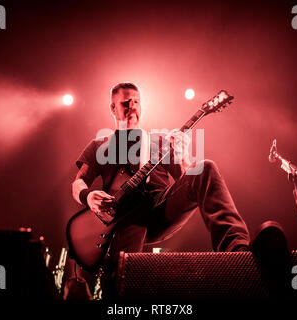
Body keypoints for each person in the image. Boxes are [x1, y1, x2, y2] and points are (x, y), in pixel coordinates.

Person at [71, 82, 251, 298]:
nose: (132, 107)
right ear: (112, 108)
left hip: (160, 209)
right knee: (121, 285)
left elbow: (186, 180)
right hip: (124, 221)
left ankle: (238, 253)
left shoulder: (160, 141)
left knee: (206, 167)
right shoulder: (98, 145)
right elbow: (78, 183)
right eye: (126, 102)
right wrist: (88, 196)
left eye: (137, 102)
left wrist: (183, 155)